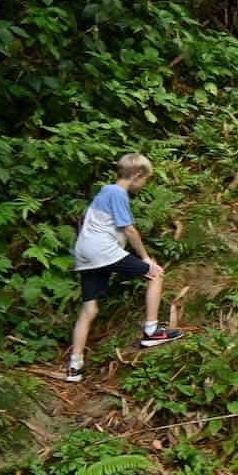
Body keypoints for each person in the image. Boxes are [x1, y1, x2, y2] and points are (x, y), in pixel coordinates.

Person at [67, 153, 183, 382]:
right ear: (137, 175)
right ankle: (152, 330)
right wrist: (146, 258)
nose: (143, 186)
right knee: (155, 274)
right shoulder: (117, 193)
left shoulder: (104, 192)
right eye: (145, 180)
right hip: (102, 251)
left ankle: (75, 366)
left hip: (85, 255)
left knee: (90, 310)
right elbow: (129, 229)